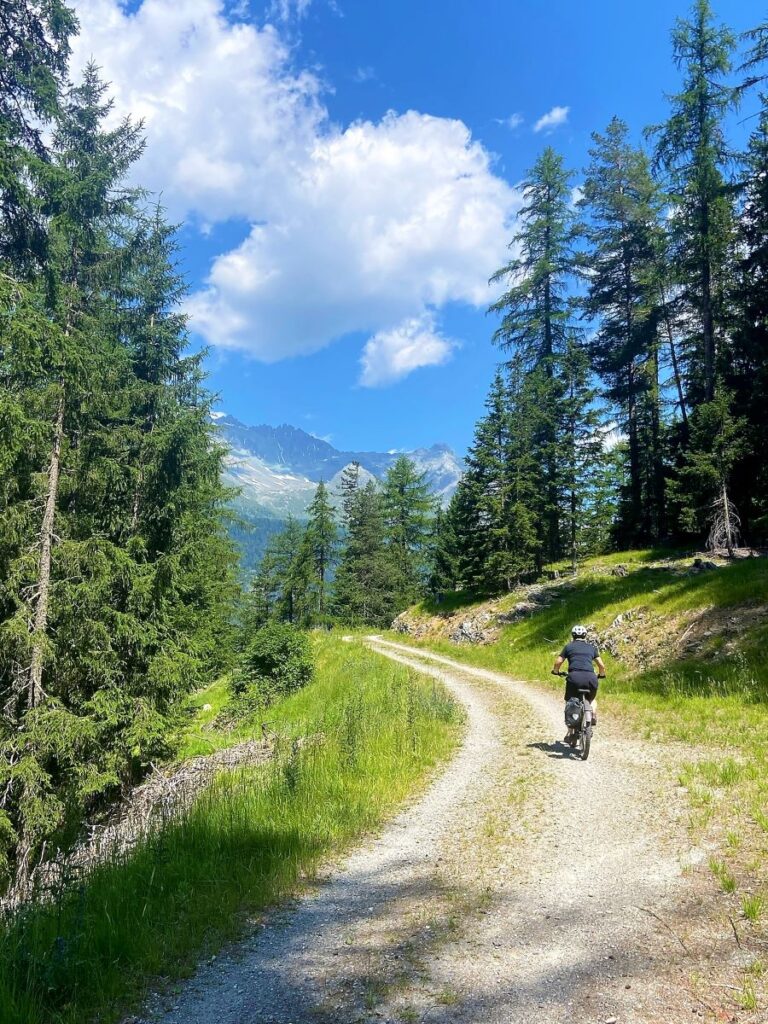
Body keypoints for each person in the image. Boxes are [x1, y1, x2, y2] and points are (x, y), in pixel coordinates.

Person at [551, 624, 606, 742]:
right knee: (591, 699)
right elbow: (601, 665)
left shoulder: (568, 647)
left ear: (573, 636)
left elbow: (558, 662)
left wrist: (556, 672)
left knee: (570, 703)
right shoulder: (592, 648)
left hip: (574, 678)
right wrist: (601, 674)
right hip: (591, 678)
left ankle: (570, 733)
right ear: (585, 635)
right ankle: (593, 714)